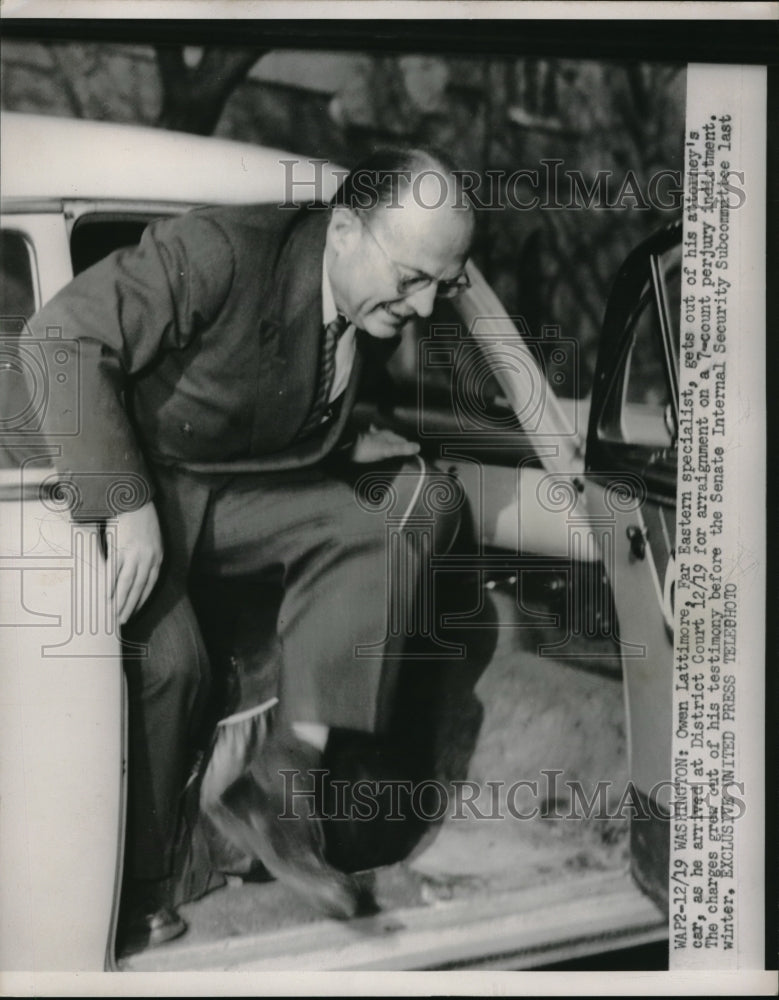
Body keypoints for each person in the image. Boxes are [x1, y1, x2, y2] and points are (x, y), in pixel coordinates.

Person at [23, 147, 476, 952]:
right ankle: (137, 889)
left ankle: (280, 784)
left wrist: (340, 444)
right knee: (173, 663)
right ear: (342, 230)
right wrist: (124, 506)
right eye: (412, 278)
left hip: (224, 496)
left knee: (385, 523)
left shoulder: (369, 302)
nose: (428, 305)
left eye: (446, 283)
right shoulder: (222, 251)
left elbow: (268, 394)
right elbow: (60, 338)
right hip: (130, 482)